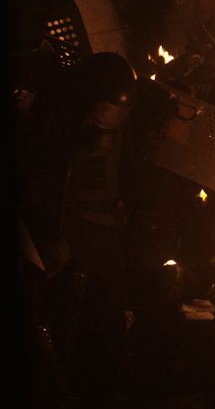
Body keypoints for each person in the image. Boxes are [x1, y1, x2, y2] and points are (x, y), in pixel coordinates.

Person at [17, 52, 138, 406]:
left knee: (108, 308)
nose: (109, 122)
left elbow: (118, 173)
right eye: (105, 111)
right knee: (60, 313)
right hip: (59, 232)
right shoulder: (50, 124)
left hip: (96, 230)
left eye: (118, 115)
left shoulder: (111, 137)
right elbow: (35, 184)